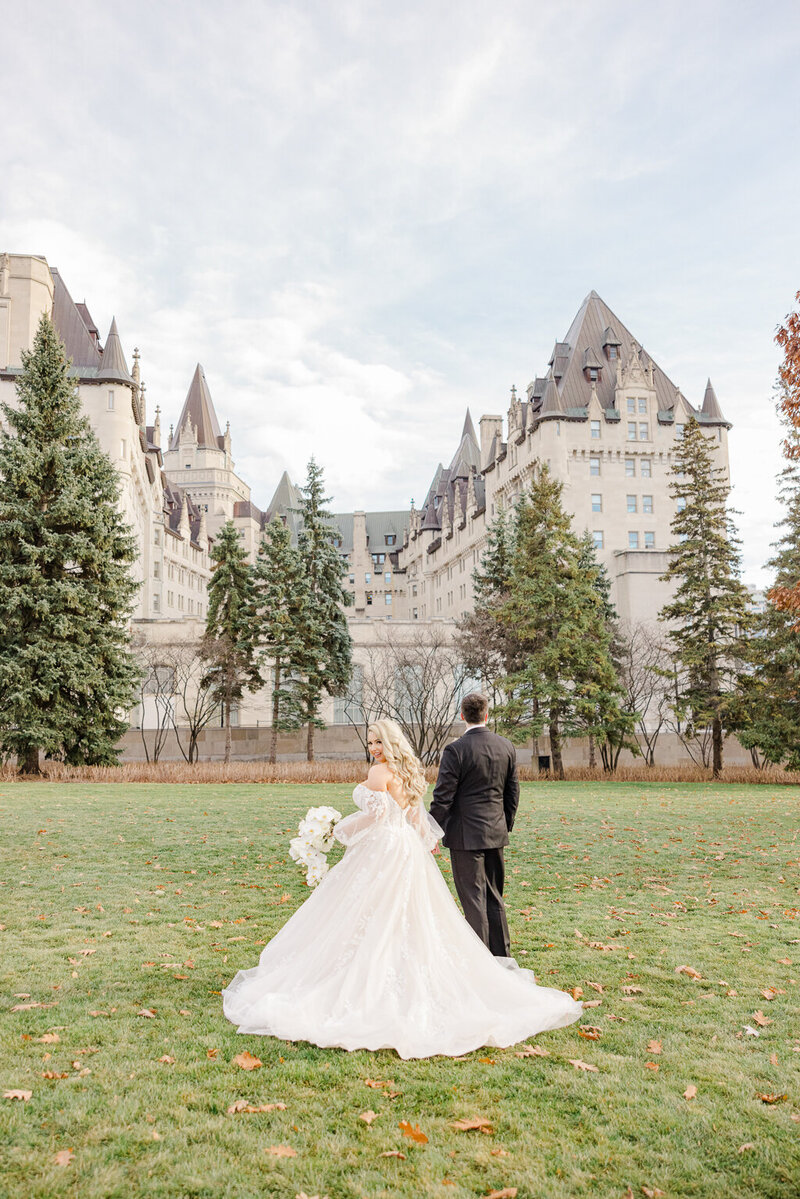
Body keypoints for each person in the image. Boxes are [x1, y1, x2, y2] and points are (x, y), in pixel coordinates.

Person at [222, 718, 581, 1059]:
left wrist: (339, 828)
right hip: (406, 848)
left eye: (378, 741)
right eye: (370, 741)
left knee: (372, 909)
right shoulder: (409, 770)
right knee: (407, 912)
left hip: (383, 847)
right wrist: (425, 839)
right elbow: (414, 815)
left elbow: (376, 816)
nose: (373, 747)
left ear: (390, 742)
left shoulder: (378, 772)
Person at [429, 692, 518, 959]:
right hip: (495, 832)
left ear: (462, 715)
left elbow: (443, 797)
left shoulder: (455, 750)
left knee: (473, 899)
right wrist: (505, 825)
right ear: (486, 715)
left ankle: (480, 962)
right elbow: (512, 793)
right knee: (494, 896)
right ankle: (502, 958)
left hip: (465, 836)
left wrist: (431, 830)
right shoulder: (506, 746)